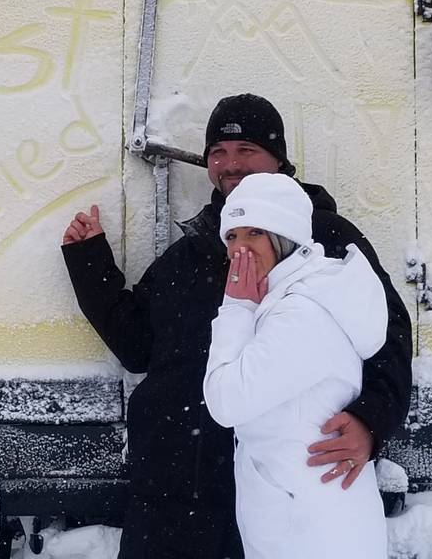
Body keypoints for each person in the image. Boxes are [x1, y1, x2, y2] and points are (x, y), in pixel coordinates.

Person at [61, 94, 411, 558]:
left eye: (246, 150)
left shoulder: (325, 239)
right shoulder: (194, 249)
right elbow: (137, 344)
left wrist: (372, 420)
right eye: (218, 153)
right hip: (176, 487)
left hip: (275, 485)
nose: (230, 164)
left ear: (278, 159)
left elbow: (388, 336)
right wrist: (90, 264)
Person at [203, 172, 388, 559]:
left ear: (284, 237)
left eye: (254, 232)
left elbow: (226, 401)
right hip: (299, 518)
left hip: (311, 529)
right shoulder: (284, 297)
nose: (240, 248)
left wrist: (236, 307)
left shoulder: (304, 311)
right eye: (232, 236)